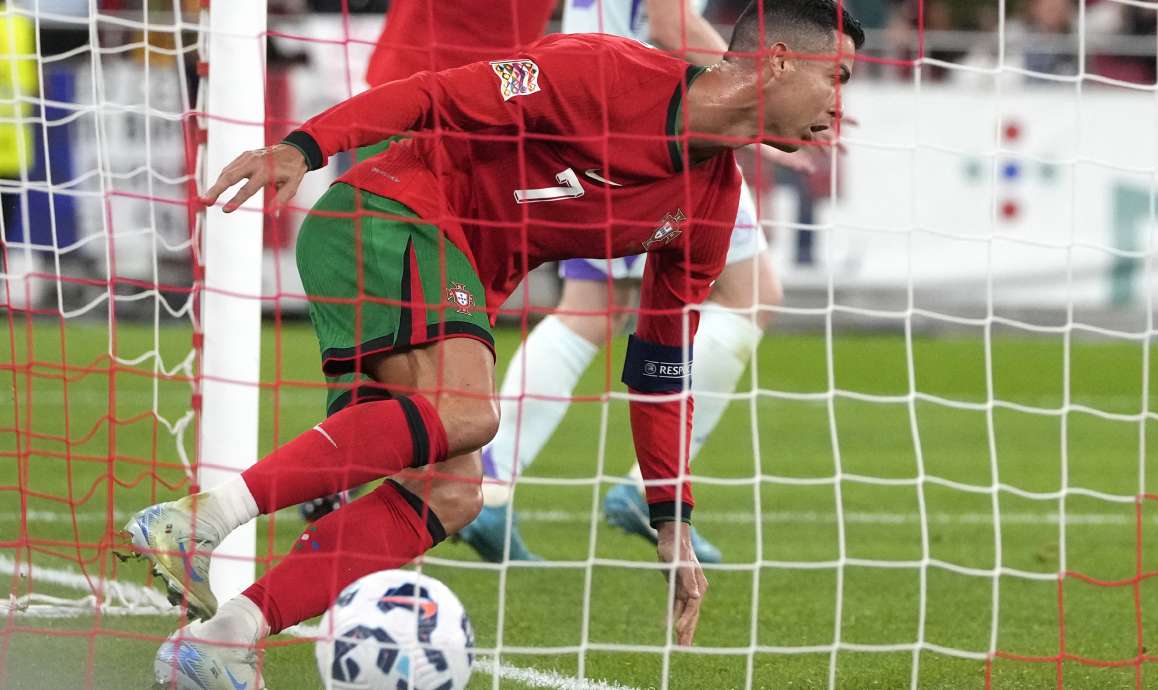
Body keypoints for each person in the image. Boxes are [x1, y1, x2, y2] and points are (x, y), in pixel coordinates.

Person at [121, 2, 861, 686]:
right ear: (780, 60)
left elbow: (661, 366)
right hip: (384, 214)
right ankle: (199, 522)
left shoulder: (712, 204)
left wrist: (671, 516)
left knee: (452, 491)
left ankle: (223, 637)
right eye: (839, 77)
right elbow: (432, 95)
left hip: (439, 268)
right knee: (469, 413)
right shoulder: (604, 71)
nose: (841, 106)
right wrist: (304, 148)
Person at [456, 0, 784, 565]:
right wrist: (769, 99)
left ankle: (489, 486)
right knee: (748, 295)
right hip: (653, 126)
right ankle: (641, 485)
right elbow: (670, 24)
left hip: (603, 112)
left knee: (593, 308)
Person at [296, 0, 558, 523]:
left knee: (424, 322)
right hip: (426, 106)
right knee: (407, 320)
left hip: (493, 121)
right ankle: (344, 472)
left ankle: (345, 469)